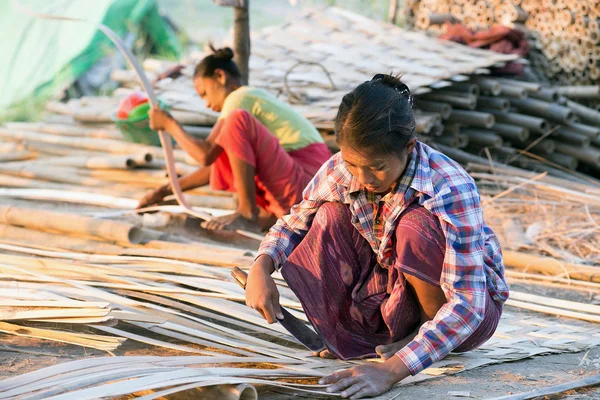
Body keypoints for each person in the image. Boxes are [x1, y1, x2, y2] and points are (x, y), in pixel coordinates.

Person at [244, 74, 509, 399]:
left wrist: (392, 371)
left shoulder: (450, 186)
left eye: (377, 167)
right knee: (328, 215)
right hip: (392, 303)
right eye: (353, 164)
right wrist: (261, 267)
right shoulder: (342, 169)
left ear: (409, 148)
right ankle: (358, 337)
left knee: (416, 226)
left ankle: (414, 341)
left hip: (463, 317)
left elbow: (469, 305)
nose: (363, 177)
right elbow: (293, 224)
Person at [138, 46, 331, 232]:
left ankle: (247, 213)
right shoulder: (253, 99)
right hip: (303, 191)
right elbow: (214, 167)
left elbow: (205, 154)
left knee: (237, 120)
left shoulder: (240, 96)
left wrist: (169, 123)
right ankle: (266, 215)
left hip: (307, 187)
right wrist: (163, 191)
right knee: (229, 149)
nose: (206, 104)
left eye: (204, 93)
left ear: (220, 76)